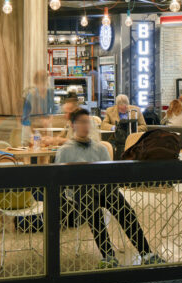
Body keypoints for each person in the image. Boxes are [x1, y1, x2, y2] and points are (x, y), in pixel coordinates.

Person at [54, 108, 162, 268]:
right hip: (79, 192)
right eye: (81, 122)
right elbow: (60, 180)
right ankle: (108, 255)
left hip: (103, 188)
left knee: (125, 210)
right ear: (73, 125)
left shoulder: (100, 149)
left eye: (87, 122)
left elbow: (110, 175)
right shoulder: (65, 151)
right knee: (93, 210)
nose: (85, 126)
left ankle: (146, 253)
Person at [21, 70, 55, 137]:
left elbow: (53, 110)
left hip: (46, 126)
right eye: (41, 83)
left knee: (48, 144)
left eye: (46, 82)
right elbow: (26, 117)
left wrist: (49, 121)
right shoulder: (31, 96)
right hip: (32, 127)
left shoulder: (50, 93)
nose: (44, 85)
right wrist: (39, 121)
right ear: (36, 83)